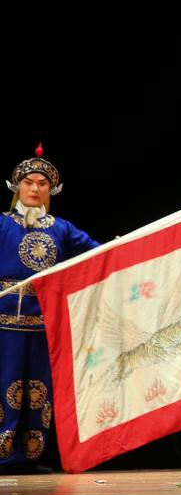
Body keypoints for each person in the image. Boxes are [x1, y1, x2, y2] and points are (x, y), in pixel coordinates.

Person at [0, 145, 99, 472]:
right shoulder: (2, 225)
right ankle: (3, 454)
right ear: (17, 187)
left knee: (39, 390)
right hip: (4, 323)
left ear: (51, 190)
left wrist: (120, 247)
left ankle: (31, 456)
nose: (35, 189)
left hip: (45, 324)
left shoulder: (61, 228)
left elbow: (96, 254)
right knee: (5, 385)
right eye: (28, 182)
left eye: (42, 184)